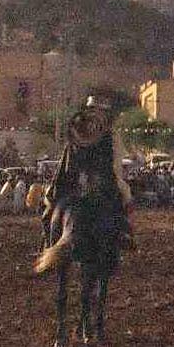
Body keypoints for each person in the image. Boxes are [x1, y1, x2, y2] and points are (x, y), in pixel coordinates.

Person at [42, 97, 134, 257]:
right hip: (93, 182)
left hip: (78, 183)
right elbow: (114, 161)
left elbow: (67, 162)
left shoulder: (81, 133)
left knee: (52, 205)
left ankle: (48, 241)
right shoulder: (106, 136)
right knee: (123, 197)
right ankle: (123, 233)